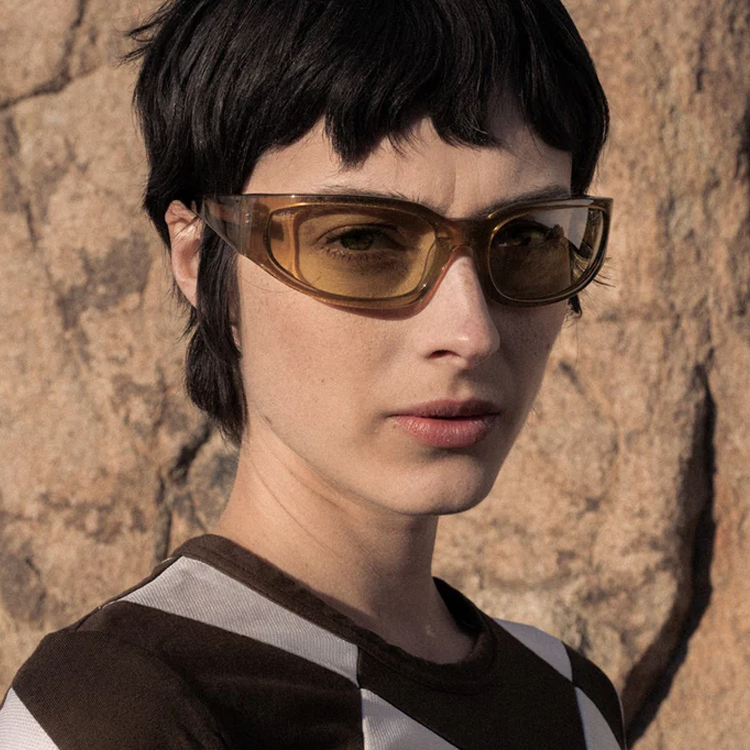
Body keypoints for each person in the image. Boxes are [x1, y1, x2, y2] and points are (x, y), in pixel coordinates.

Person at [0, 0, 625, 748]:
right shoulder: (116, 708)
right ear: (197, 257)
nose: (471, 333)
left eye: (526, 238)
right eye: (361, 240)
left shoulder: (572, 700)